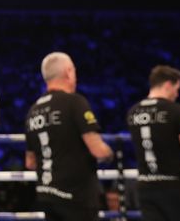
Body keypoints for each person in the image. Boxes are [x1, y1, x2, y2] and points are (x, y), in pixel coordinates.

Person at [24, 52, 113, 221]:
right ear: (69, 72)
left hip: (47, 194)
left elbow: (30, 162)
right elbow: (98, 150)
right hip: (76, 196)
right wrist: (111, 153)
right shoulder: (75, 102)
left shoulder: (33, 111)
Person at [126, 65, 180, 221]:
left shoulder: (133, 112)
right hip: (175, 186)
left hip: (146, 186)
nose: (176, 94)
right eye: (176, 89)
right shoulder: (177, 111)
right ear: (167, 85)